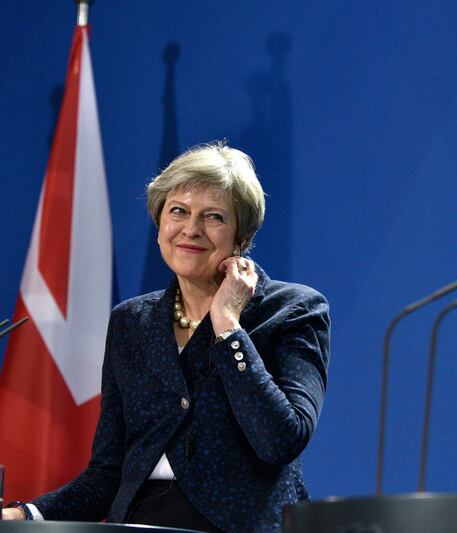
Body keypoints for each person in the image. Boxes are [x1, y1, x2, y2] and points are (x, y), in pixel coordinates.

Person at [2, 142, 331, 532]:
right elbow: (107, 474)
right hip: (138, 523)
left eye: (213, 217)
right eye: (178, 211)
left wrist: (228, 324)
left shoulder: (292, 309)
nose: (191, 229)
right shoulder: (131, 322)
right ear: (160, 224)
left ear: (240, 236)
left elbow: (281, 440)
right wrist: (23, 515)